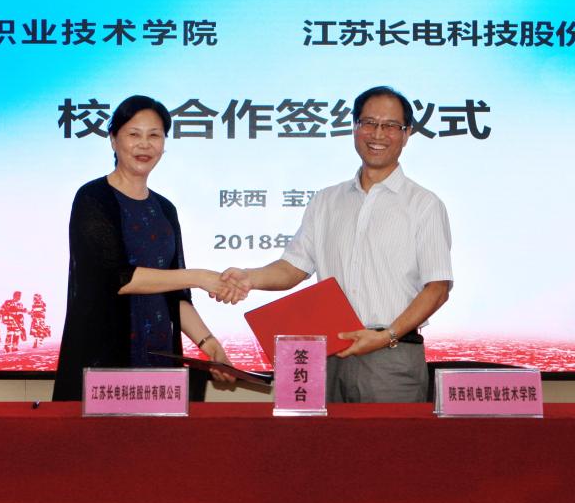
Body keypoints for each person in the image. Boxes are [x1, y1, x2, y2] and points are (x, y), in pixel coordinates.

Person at [221, 86, 453, 403]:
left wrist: (386, 336)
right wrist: (249, 277)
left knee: (389, 438)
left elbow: (438, 288)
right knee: (321, 437)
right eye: (369, 123)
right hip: (326, 354)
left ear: (407, 133)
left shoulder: (424, 204)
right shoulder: (326, 201)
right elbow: (293, 268)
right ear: (355, 127)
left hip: (391, 356)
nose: (378, 134)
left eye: (390, 126)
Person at [52, 95, 246, 401]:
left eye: (154, 135)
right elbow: (119, 278)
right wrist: (200, 276)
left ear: (164, 144)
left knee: (158, 433)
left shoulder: (165, 209)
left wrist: (210, 346)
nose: (144, 145)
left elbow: (175, 296)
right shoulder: (93, 198)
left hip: (159, 364)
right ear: (113, 139)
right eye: (134, 134)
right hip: (105, 365)